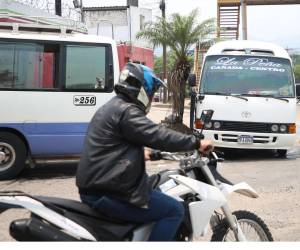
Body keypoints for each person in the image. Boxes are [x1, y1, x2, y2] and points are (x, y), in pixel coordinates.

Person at [76, 62, 214, 241]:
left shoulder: (113, 106)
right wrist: (196, 143)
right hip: (109, 192)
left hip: (100, 185)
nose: (151, 96)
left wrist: (143, 153)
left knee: (157, 193)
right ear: (142, 89)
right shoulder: (127, 111)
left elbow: (113, 145)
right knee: (174, 210)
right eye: (151, 91)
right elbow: (158, 135)